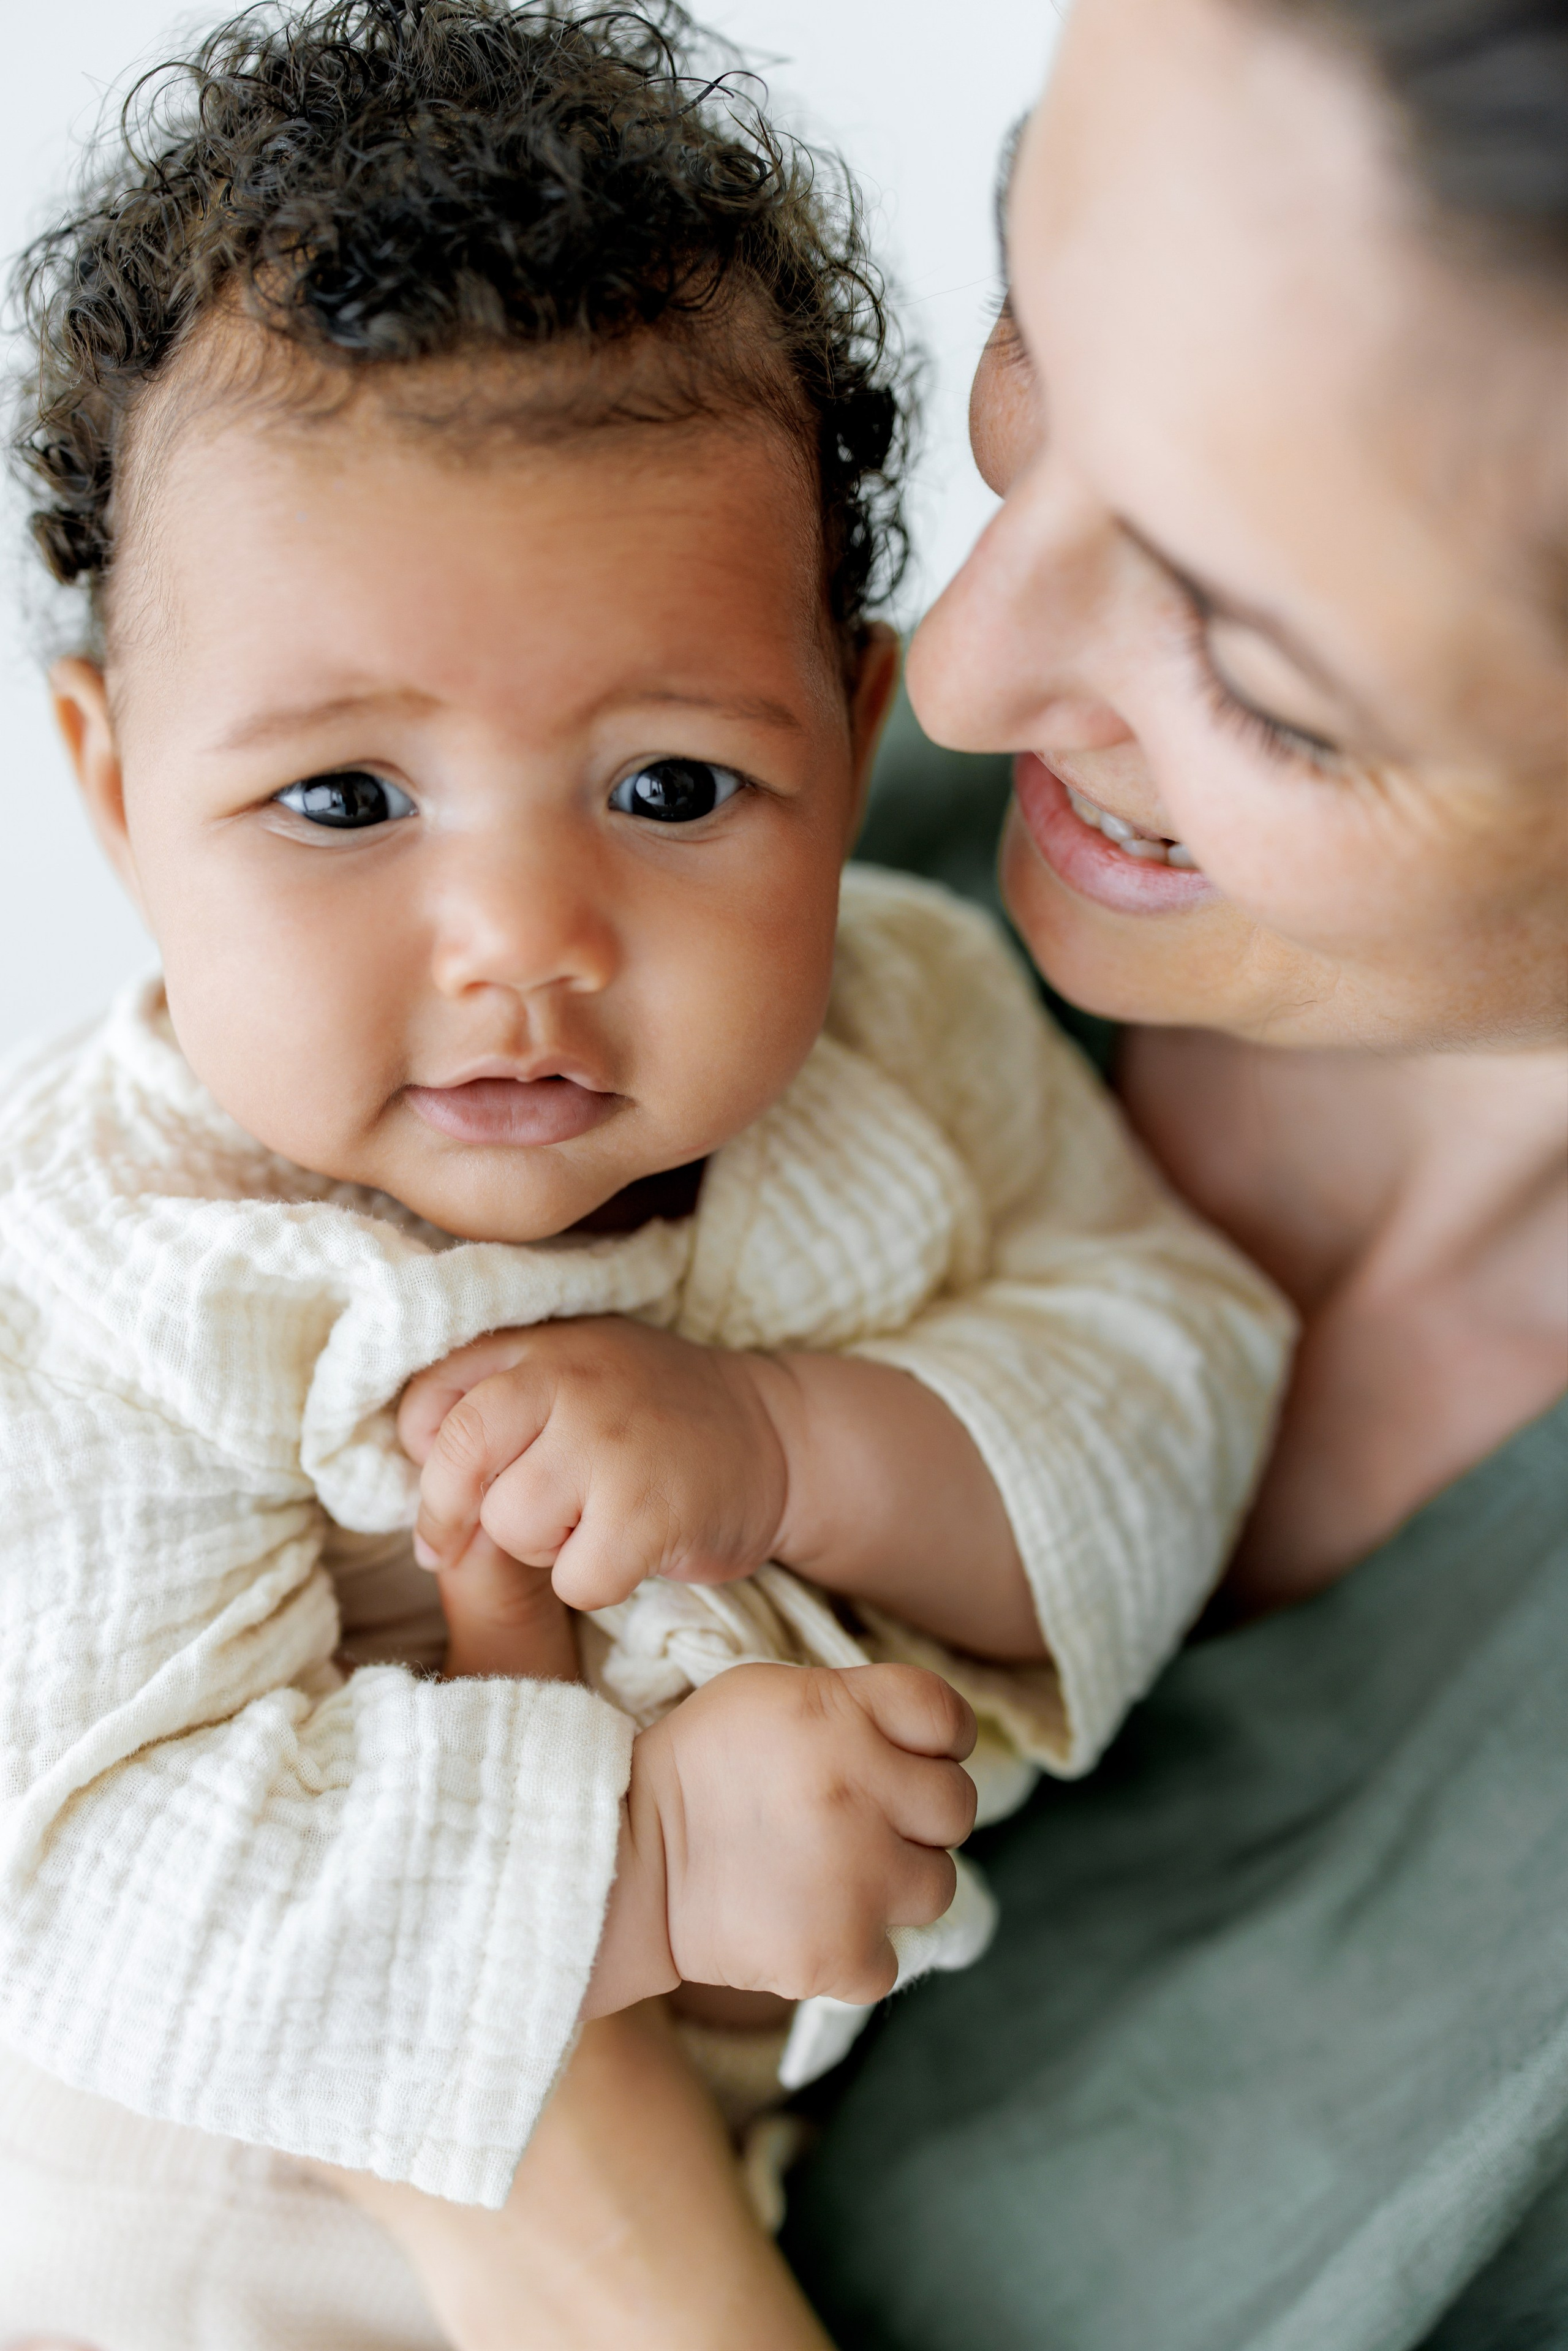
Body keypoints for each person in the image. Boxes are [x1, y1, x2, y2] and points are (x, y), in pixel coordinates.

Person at [0, 4, 1294, 2345]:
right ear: (112, 784)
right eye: (345, 800)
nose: (524, 949)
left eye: (675, 789)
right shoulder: (99, 1267)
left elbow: (1170, 1368)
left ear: (853, 727)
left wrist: (794, 1450)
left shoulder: (911, 1031)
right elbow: (84, 1879)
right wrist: (654, 1858)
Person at [779, 0, 1568, 2344]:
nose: (956, 672)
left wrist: (537, 2183)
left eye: (1264, 683)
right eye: (1030, 309)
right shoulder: (773, 850)